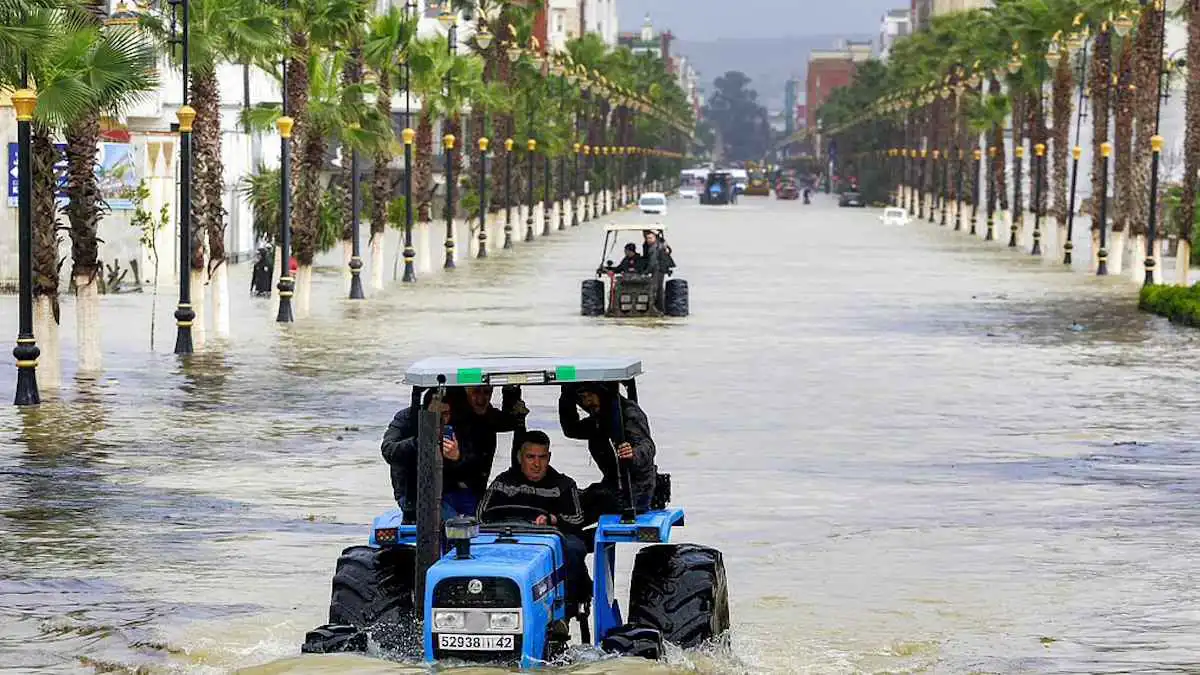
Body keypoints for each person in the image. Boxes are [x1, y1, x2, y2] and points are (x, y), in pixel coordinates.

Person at [381, 385, 528, 522]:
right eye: (435, 414)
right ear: (425, 410)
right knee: (455, 523)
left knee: (481, 519)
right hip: (413, 492)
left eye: (445, 414)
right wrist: (422, 441)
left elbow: (475, 458)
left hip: (456, 490)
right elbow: (389, 451)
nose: (440, 420)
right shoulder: (407, 419)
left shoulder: (463, 419)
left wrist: (457, 457)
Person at [477, 431, 589, 606]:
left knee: (574, 549)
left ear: (549, 457)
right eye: (530, 457)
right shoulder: (502, 482)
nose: (536, 464)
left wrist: (552, 519)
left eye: (542, 457)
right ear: (520, 457)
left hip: (548, 541)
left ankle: (567, 606)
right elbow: (481, 516)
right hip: (506, 539)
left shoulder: (564, 485)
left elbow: (578, 518)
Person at [558, 383, 657, 523]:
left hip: (635, 491)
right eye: (582, 397)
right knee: (568, 497)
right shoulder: (600, 418)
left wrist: (632, 453)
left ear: (602, 393)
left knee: (578, 507)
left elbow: (647, 446)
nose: (586, 402)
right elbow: (571, 429)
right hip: (612, 484)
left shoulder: (628, 414)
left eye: (590, 396)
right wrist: (566, 398)